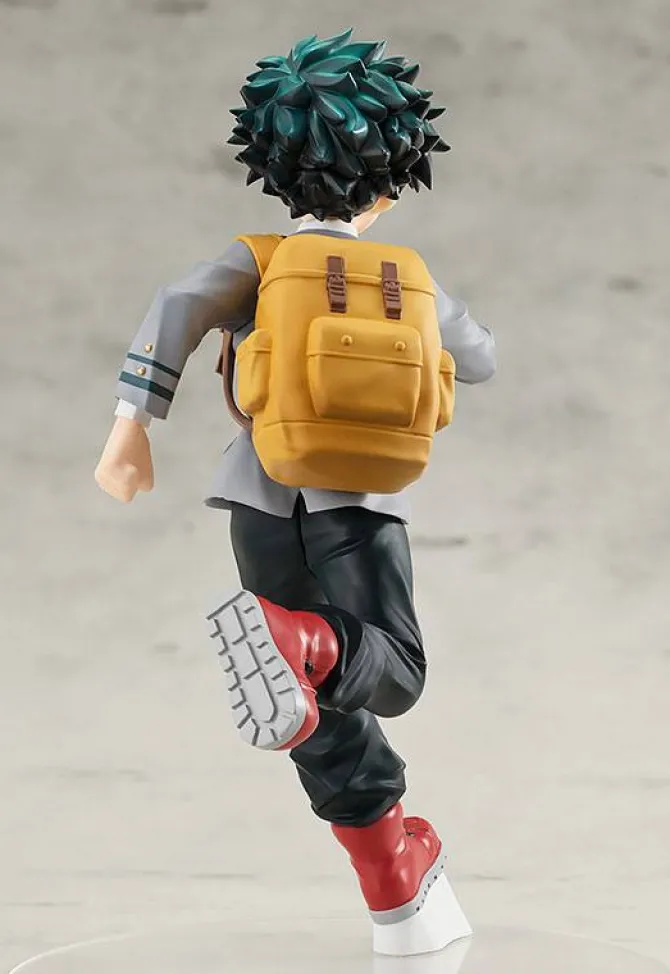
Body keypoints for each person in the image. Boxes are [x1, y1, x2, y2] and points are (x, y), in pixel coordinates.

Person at [95, 29, 496, 957]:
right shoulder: (409, 278)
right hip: (362, 504)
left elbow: (177, 305)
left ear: (272, 168)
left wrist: (130, 427)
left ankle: (393, 874)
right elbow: (480, 359)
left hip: (259, 497)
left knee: (308, 700)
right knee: (390, 669)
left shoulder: (263, 259)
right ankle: (306, 641)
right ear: (391, 183)